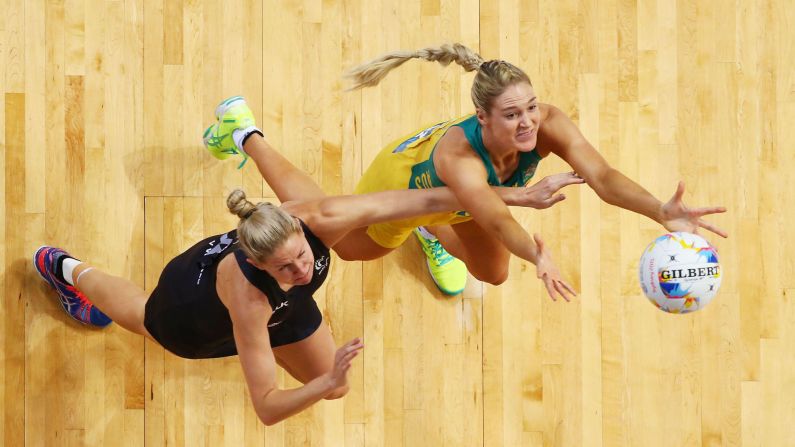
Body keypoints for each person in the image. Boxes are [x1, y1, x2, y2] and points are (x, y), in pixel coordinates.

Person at [34, 97, 579, 426]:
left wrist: (518, 198)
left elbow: (431, 198)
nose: (302, 273)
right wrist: (326, 379)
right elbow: (267, 406)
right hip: (192, 311)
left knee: (335, 373)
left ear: (298, 226)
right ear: (256, 261)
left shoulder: (317, 217)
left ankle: (242, 130)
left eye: (301, 257)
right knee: (144, 320)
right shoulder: (247, 299)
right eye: (286, 270)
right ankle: (66, 270)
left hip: (283, 309)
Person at [322, 43, 727, 296]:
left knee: (493, 273)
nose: (528, 122)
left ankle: (431, 232)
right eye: (512, 114)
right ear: (483, 117)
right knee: (349, 249)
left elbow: (602, 177)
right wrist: (537, 256)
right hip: (403, 190)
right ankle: (299, 193)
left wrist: (660, 210)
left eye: (531, 107)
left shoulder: (547, 124)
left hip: (466, 201)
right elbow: (498, 220)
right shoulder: (458, 157)